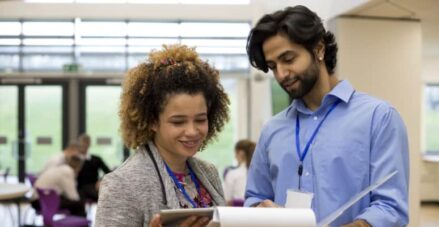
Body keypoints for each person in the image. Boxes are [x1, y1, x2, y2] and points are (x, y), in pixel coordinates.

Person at [244, 5, 409, 227]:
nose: (281, 74)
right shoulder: (272, 129)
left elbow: (391, 208)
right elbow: (254, 198)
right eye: (273, 66)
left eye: (288, 59)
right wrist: (261, 211)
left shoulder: (378, 118)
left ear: (319, 49)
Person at [95, 44, 230, 226]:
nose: (191, 131)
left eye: (200, 120)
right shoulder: (122, 184)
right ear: (152, 121)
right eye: (178, 122)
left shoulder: (209, 174)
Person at [76, 133, 110, 202]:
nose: (84, 145)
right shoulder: (75, 160)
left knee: (105, 196)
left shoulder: (96, 159)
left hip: (93, 187)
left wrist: (101, 180)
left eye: (87, 143)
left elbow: (108, 172)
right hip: (78, 188)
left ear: (89, 144)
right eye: (83, 143)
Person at [223, 139, 255, 206]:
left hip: (236, 214)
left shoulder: (233, 174)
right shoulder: (259, 174)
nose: (235, 156)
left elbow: (226, 200)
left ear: (240, 153)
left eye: (235, 153)